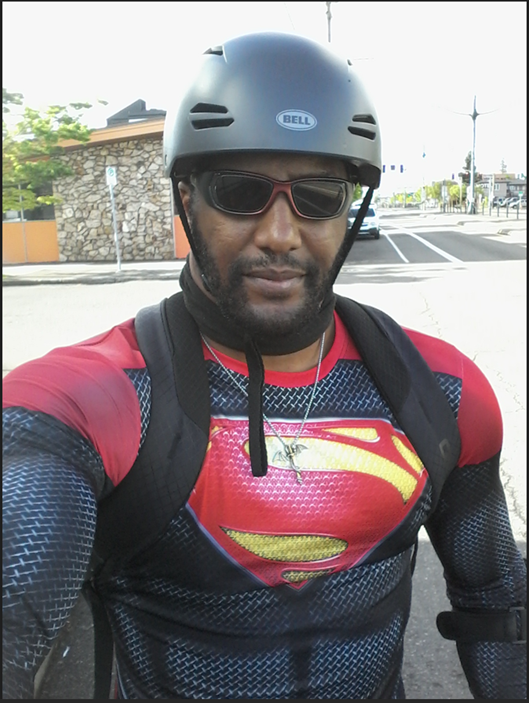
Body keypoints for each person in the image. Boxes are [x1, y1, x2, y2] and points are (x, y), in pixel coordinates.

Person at [2, 31, 526, 700]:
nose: (280, 233)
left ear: (350, 210)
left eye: (317, 198)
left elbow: (493, 602)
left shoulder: (444, 396)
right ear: (186, 197)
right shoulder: (91, 398)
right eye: (239, 190)